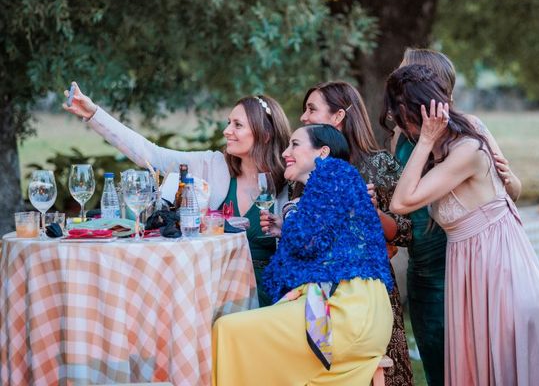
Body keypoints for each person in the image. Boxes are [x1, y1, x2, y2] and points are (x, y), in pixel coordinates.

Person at [384, 61, 539, 386]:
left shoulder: (466, 146)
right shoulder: (444, 146)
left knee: (500, 372)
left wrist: (424, 141)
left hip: (499, 273)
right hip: (469, 270)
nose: (395, 122)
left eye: (397, 114)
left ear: (410, 112)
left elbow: (401, 203)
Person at [63, 82, 291, 306]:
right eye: (228, 122)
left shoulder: (288, 182)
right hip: (217, 289)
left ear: (265, 134)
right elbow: (151, 154)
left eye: (238, 125)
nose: (227, 131)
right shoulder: (213, 165)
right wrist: (94, 114)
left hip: (267, 294)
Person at [212, 124, 394, 385]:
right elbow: (322, 240)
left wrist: (289, 222)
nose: (286, 152)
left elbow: (306, 243)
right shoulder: (333, 184)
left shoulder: (335, 173)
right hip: (345, 305)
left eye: (295, 144)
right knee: (235, 328)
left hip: (347, 310)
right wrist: (285, 229)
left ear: (323, 152)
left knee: (227, 329)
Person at [294, 81, 413, 386]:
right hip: (317, 294)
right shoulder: (306, 170)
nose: (304, 118)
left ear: (338, 117)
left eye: (312, 109)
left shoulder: (378, 165)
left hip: (371, 294)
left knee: (381, 375)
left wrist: (370, 211)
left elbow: (406, 231)